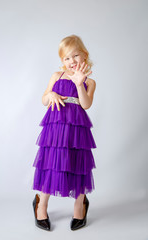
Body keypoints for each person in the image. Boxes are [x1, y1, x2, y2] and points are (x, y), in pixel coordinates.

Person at [32, 34, 97, 231]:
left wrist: (79, 83)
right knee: (52, 163)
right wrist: (49, 94)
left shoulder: (89, 82)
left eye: (75, 56)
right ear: (62, 61)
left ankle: (80, 204)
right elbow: (44, 99)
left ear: (84, 56)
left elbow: (86, 105)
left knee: (77, 164)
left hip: (77, 130)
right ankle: (41, 204)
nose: (71, 61)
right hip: (56, 128)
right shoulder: (56, 76)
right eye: (66, 58)